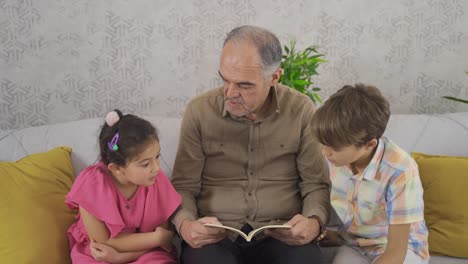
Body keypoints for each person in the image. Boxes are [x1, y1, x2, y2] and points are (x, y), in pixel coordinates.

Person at [170, 25, 331, 264]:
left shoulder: (301, 110)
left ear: (274, 77)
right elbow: (183, 185)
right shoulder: (199, 111)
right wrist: (185, 225)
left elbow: (316, 184)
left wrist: (314, 222)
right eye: (225, 80)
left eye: (244, 85)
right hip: (216, 238)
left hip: (282, 234)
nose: (230, 93)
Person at [310, 84, 429, 264]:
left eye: (333, 147)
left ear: (369, 144)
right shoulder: (337, 159)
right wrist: (336, 235)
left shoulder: (400, 171)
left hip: (400, 251)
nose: (325, 153)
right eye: (323, 143)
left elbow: (396, 252)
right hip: (356, 245)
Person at [65, 110, 182, 264]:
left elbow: (161, 241)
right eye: (146, 164)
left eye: (158, 157)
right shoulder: (91, 185)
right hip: (101, 254)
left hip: (145, 252)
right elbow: (103, 244)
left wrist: (123, 257)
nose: (156, 168)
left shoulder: (155, 181)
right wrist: (157, 237)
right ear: (117, 168)